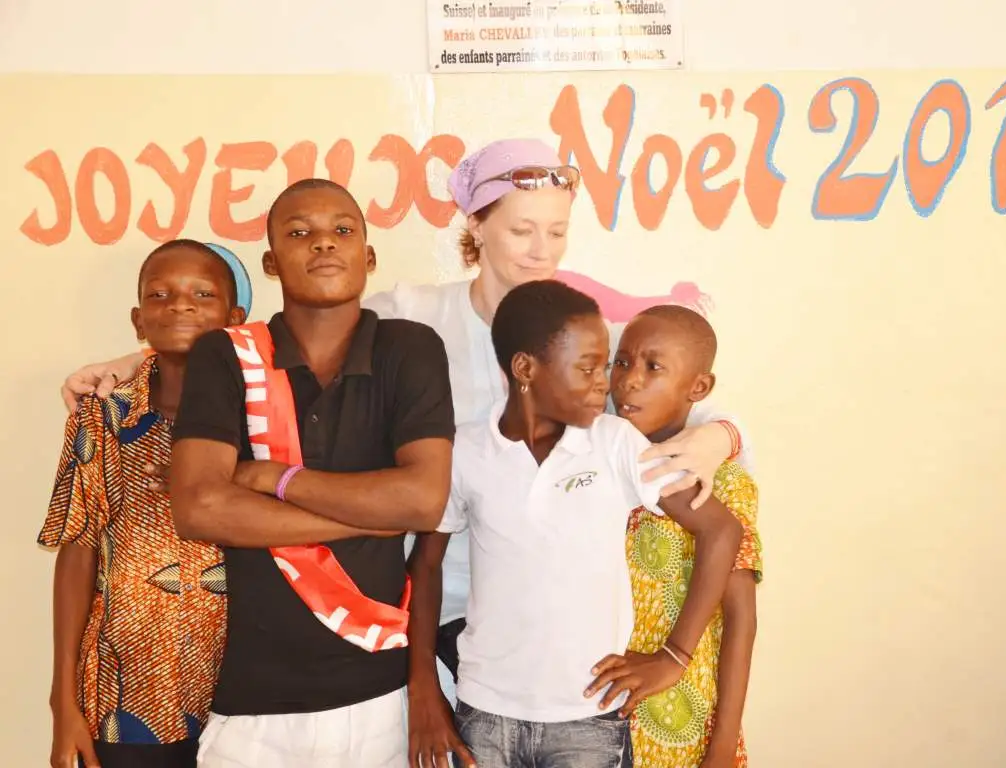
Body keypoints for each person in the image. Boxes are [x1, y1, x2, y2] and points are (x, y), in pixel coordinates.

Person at [55, 139, 753, 756]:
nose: (540, 250)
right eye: (521, 230)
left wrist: (722, 433)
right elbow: (301, 322)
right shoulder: (416, 312)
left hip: (555, 649)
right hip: (436, 624)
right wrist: (145, 358)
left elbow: (672, 387)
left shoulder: (585, 330)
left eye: (556, 232)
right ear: (476, 227)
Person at [168, 179, 455, 768]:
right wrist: (366, 520)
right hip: (254, 709)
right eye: (300, 233)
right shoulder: (225, 355)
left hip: (382, 698)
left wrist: (276, 479)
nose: (323, 243)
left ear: (367, 257)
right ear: (271, 262)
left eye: (341, 230)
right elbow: (200, 508)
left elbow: (423, 500)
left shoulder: (410, 347)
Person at [425, 279, 742, 768]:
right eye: (588, 367)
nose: (606, 383)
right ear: (525, 369)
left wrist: (675, 656)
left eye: (604, 365)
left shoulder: (614, 442)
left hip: (588, 715)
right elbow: (425, 568)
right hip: (485, 712)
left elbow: (722, 530)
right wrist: (425, 687)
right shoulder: (465, 451)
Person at [39, 239, 247, 768]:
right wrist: (63, 699)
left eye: (202, 294)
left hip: (241, 689)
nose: (180, 305)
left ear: (236, 319)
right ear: (138, 319)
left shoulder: (259, 419)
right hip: (123, 691)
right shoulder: (101, 416)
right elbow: (78, 550)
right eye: (160, 294)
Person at [611, 305, 762, 767]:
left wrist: (722, 748)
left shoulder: (723, 482)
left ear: (699, 388)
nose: (630, 380)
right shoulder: (598, 464)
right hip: (599, 717)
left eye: (653, 367)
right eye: (622, 362)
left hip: (685, 723)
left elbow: (741, 619)